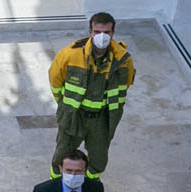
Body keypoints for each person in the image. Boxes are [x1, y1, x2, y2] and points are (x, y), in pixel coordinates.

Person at [49, 13, 135, 179]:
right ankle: (56, 188)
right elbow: (55, 82)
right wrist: (65, 107)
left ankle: (89, 189)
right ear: (90, 32)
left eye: (107, 32)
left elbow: (126, 84)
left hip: (102, 119)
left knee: (98, 160)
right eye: (97, 31)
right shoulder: (70, 55)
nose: (101, 36)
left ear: (113, 34)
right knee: (61, 156)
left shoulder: (123, 60)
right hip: (74, 115)